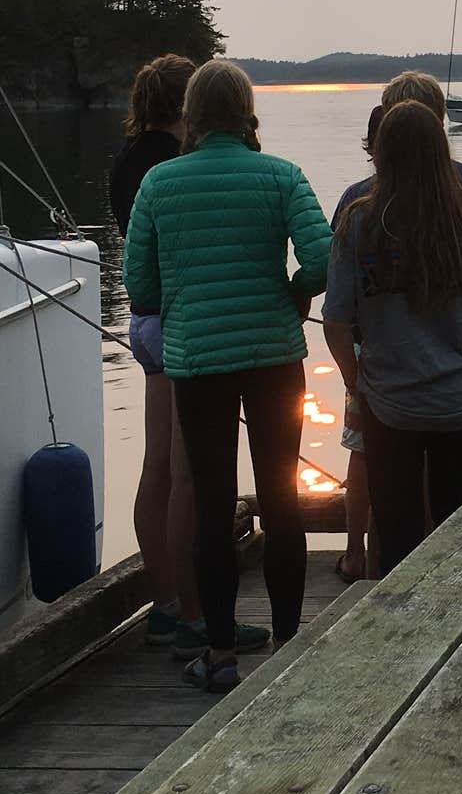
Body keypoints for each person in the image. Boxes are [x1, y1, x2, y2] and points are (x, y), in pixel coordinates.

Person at [123, 59, 332, 693]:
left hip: (199, 362)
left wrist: (183, 301)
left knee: (212, 504)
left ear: (192, 115)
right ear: (247, 113)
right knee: (280, 496)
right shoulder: (281, 176)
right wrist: (296, 292)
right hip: (273, 355)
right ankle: (291, 639)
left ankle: (218, 652)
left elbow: (139, 286)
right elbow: (325, 256)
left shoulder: (159, 184)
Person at [322, 101, 462, 573]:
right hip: (460, 399)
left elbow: (335, 321)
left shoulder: (359, 222)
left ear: (383, 151)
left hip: (388, 401)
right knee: (458, 530)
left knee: (395, 529)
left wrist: (354, 379)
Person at [107, 53, 216, 656]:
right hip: (181, 322)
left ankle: (165, 599)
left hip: (144, 319)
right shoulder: (174, 165)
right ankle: (194, 611)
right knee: (187, 471)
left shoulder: (126, 163)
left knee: (157, 466)